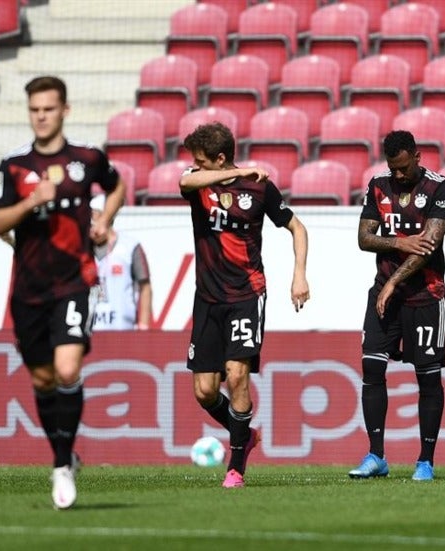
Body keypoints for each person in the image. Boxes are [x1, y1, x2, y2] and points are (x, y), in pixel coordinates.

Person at [0, 75, 126, 509]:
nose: (41, 116)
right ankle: (63, 455)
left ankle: (62, 465)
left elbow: (116, 184)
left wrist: (105, 217)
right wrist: (31, 202)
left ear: (64, 110)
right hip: (29, 288)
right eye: (35, 109)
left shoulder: (86, 159)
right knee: (43, 379)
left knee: (68, 369)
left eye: (49, 108)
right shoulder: (13, 166)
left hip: (74, 282)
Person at [180, 122, 310, 488]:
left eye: (202, 161)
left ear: (218, 158)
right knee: (205, 391)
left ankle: (236, 466)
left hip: (246, 295)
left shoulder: (259, 188)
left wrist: (299, 275)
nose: (196, 166)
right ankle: (246, 435)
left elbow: (297, 228)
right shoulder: (199, 182)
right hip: (207, 299)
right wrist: (233, 171)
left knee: (237, 376)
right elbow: (184, 182)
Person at [349, 130, 445, 482]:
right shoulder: (378, 185)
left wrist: (394, 281)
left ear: (417, 157)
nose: (398, 175)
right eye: (393, 168)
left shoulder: (440, 188)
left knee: (427, 377)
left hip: (426, 295)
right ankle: (376, 455)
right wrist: (399, 241)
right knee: (372, 369)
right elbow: (364, 238)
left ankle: (425, 461)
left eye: (404, 168)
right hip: (383, 294)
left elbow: (429, 245)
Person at [89, 194, 153, 330]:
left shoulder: (130, 247)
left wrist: (143, 325)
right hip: (89, 330)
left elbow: (145, 287)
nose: (91, 224)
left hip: (123, 330)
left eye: (94, 216)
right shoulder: (82, 249)